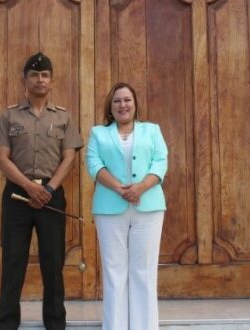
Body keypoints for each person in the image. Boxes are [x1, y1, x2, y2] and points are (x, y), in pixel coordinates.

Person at [0, 52, 82, 330]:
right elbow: (2, 158)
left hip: (51, 196)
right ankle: (7, 322)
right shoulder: (9, 115)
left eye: (44, 75)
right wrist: (29, 186)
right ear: (25, 80)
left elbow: (69, 157)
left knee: (52, 262)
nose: (40, 79)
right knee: (13, 261)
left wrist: (49, 188)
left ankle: (55, 323)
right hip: (18, 195)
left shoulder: (64, 118)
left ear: (52, 81)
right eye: (34, 75)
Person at [85, 82, 168, 330]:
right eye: (117, 101)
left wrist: (141, 187)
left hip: (149, 207)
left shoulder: (152, 130)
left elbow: (161, 161)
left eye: (127, 100)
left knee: (143, 271)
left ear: (135, 104)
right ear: (110, 107)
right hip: (109, 208)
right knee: (114, 271)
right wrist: (119, 188)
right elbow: (93, 164)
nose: (123, 105)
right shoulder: (98, 133)